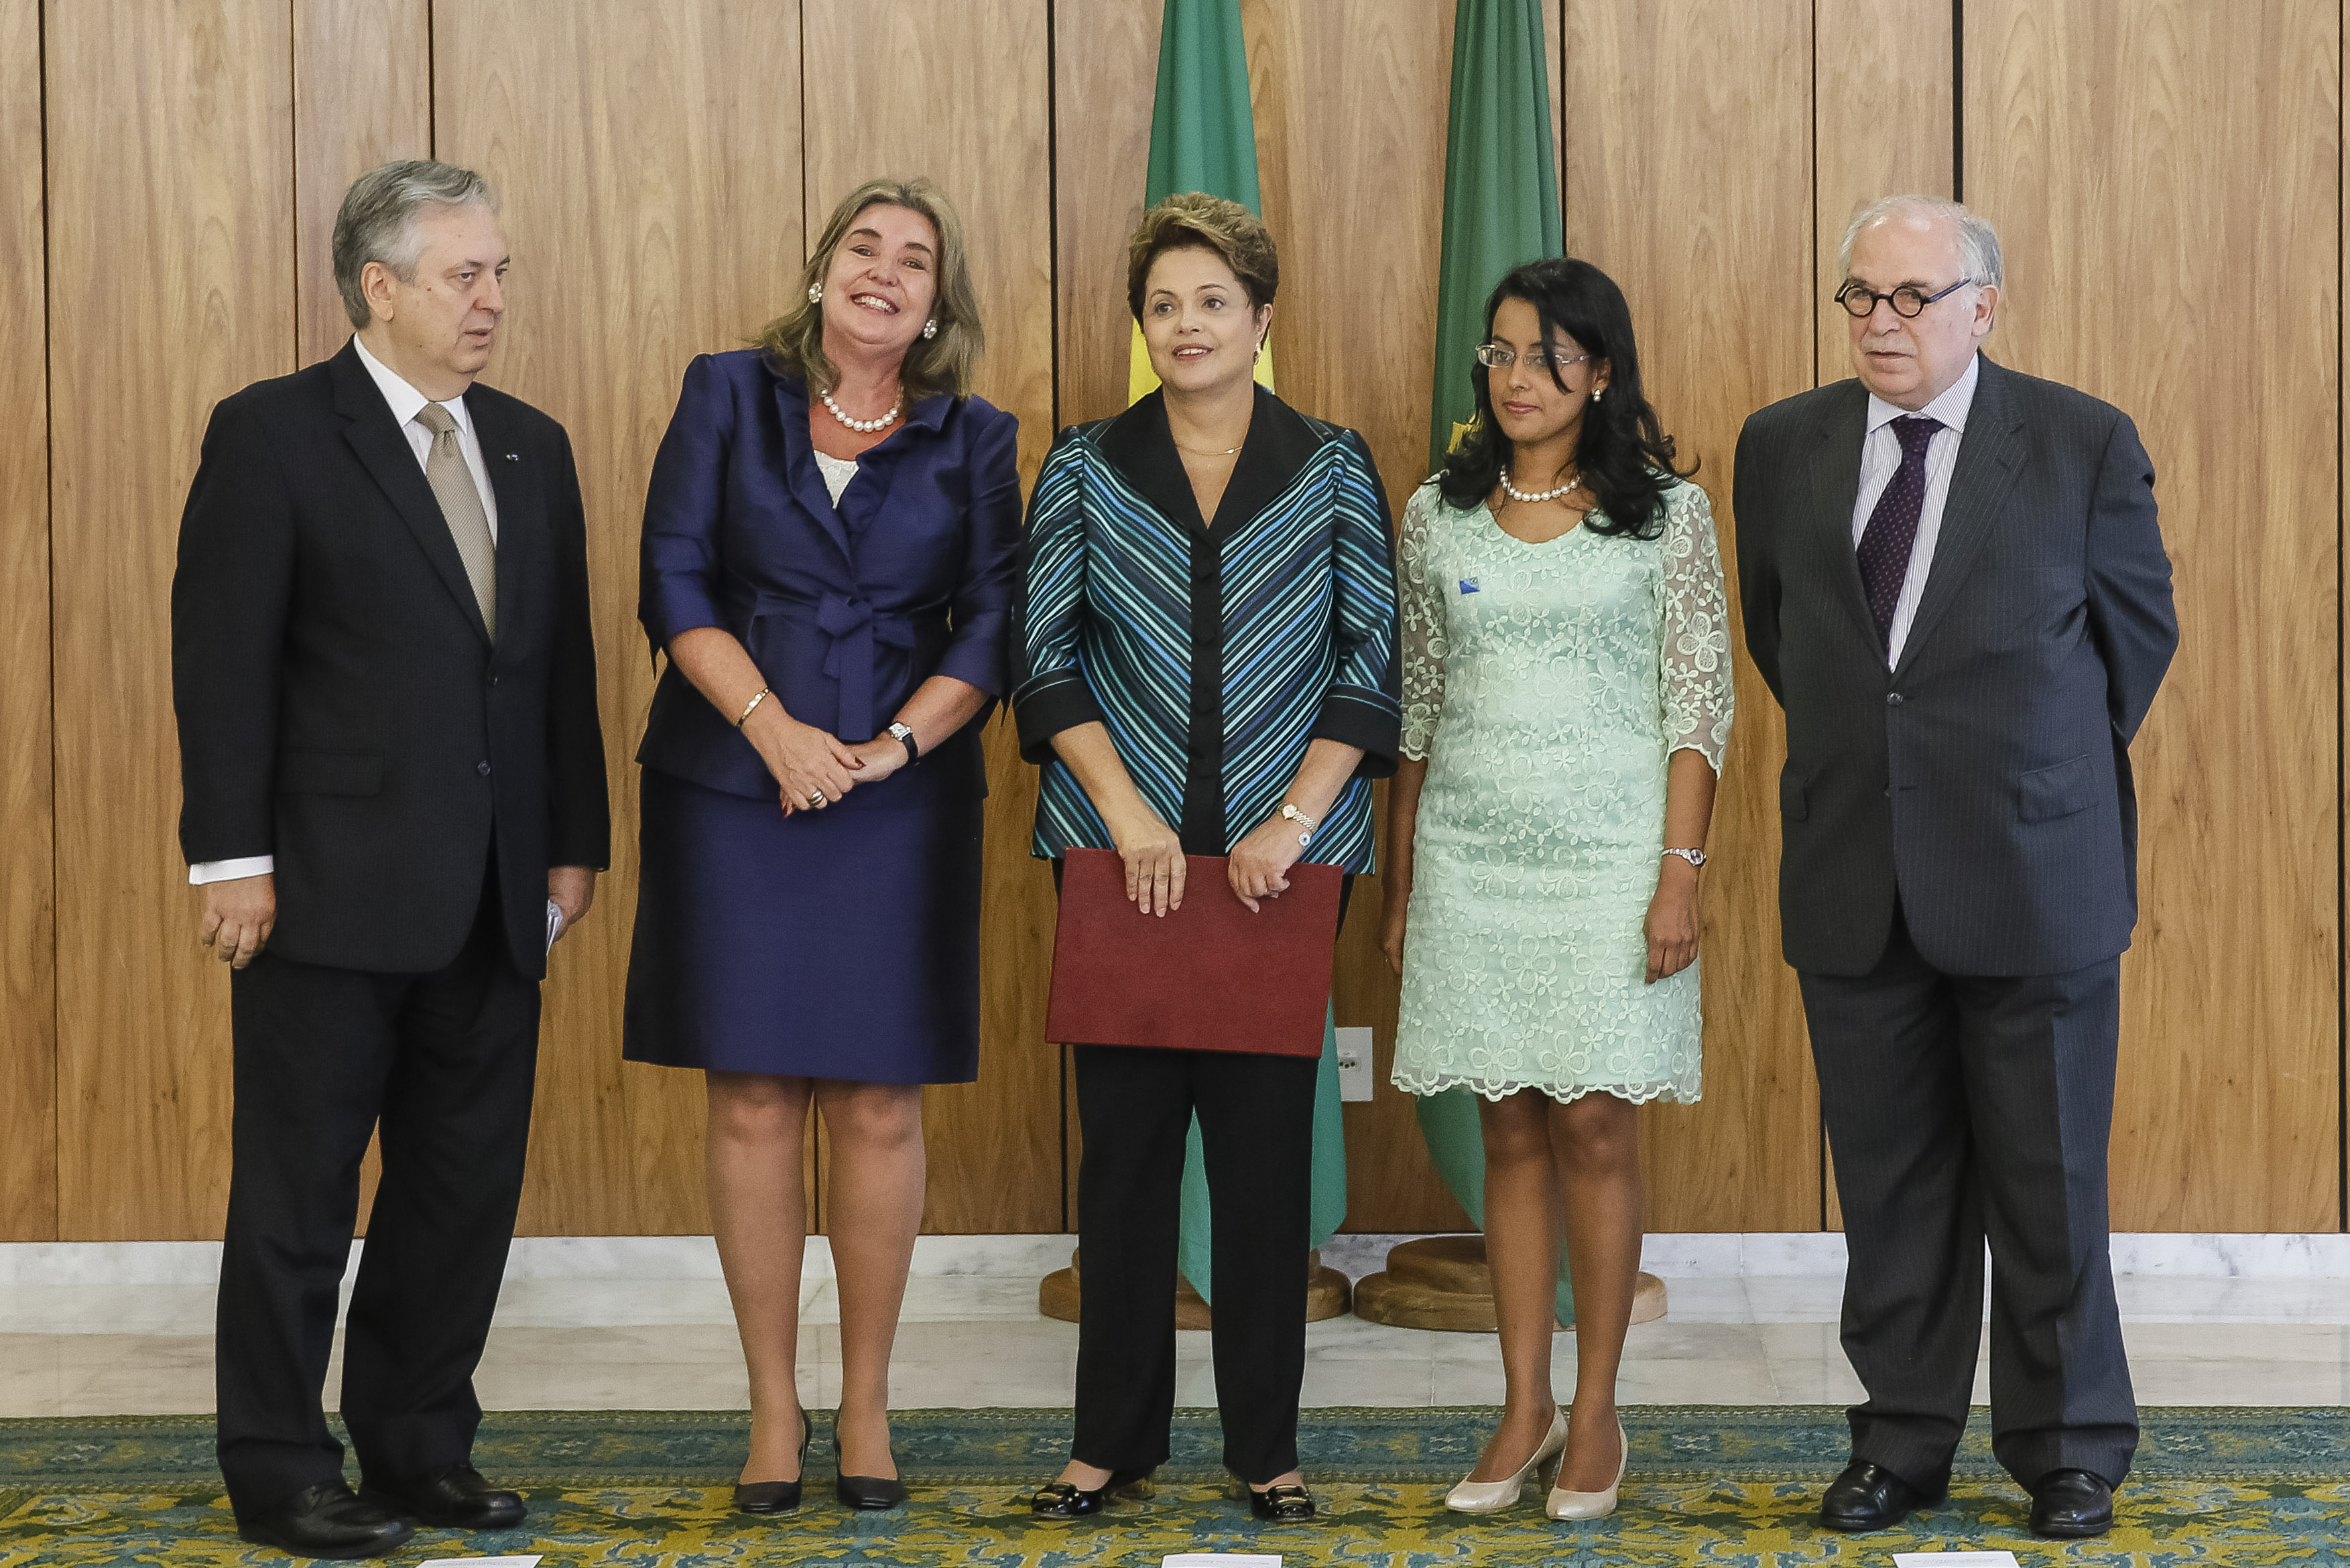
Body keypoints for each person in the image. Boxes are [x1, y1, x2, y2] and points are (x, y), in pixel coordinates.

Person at [171, 159, 609, 1561]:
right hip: (322, 888)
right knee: (297, 1199)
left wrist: (574, 846)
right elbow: (222, 661)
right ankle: (280, 1466)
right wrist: (227, 859)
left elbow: (555, 673)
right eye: (463, 275)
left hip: (496, 893)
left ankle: (421, 1444)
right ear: (380, 287)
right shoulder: (275, 434)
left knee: (458, 1187)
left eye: (499, 273)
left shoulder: (531, 443)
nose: (492, 300)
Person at [1733, 194, 2177, 1541]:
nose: (1882, 322)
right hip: (1856, 872)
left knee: (2048, 1183)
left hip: (2031, 873)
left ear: (1982, 306)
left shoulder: (2080, 441)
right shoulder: (1780, 445)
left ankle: (2067, 1450)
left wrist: (2017, 772)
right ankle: (1904, 1442)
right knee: (1891, 1186)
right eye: (1860, 296)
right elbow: (1786, 640)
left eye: (1912, 297)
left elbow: (2133, 642)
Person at [623, 176, 1019, 1518]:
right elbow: (669, 573)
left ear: (935, 305)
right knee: (748, 1097)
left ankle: (862, 1403)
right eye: (865, 246)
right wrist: (774, 731)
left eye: (915, 260)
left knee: (875, 1102)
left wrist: (895, 746)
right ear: (821, 271)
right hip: (734, 784)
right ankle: (771, 1409)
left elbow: (989, 624)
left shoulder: (972, 437)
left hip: (896, 798)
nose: (886, 271)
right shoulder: (725, 393)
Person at [1013, 192, 1400, 1524]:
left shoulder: (1336, 464)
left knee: (1258, 1170)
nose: (1189, 325)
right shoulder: (1081, 465)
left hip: (1280, 875)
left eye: (1213, 302)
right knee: (1120, 1166)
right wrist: (1127, 815)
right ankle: (1107, 1443)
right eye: (1165, 305)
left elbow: (1370, 661)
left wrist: (1291, 821)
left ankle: (1264, 1452)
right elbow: (1045, 659)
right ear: (1144, 326)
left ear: (1261, 319)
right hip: (1116, 865)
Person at [1382, 257, 1731, 1522]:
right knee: (1509, 1127)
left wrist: (1675, 880)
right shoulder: (1435, 514)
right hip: (1473, 860)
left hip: (1610, 863)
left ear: (1598, 370)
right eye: (1500, 354)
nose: (1517, 378)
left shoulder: (1666, 518)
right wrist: (1407, 879)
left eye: (1544, 355)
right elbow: (1416, 710)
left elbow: (1699, 710)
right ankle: (1521, 1403)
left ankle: (1595, 1413)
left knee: (1591, 1121)